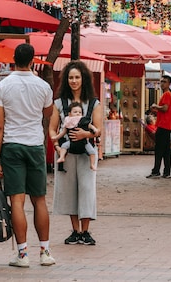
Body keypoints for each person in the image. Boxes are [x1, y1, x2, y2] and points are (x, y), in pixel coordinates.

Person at [0, 43, 56, 268]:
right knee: (39, 200)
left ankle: (23, 254)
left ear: (13, 59)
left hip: (12, 146)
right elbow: (48, 112)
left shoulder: (2, 86)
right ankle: (45, 252)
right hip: (35, 145)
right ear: (32, 61)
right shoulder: (43, 86)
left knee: (16, 201)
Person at [50, 60, 104, 247]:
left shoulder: (94, 103)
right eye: (71, 77)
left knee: (87, 190)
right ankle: (76, 231)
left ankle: (86, 230)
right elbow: (52, 128)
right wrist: (57, 145)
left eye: (77, 77)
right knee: (69, 191)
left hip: (86, 152)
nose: (74, 81)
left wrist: (86, 134)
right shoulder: (59, 103)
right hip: (66, 152)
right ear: (66, 80)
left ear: (84, 79)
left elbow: (98, 129)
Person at [53, 101, 99, 171]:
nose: (77, 113)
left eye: (79, 112)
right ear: (69, 114)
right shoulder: (68, 122)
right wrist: (56, 137)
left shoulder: (83, 120)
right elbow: (63, 132)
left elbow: (90, 126)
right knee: (64, 146)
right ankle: (62, 157)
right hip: (71, 141)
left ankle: (92, 164)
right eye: (75, 112)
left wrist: (94, 130)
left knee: (92, 152)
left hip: (84, 142)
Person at [147, 75, 171, 179]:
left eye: (165, 82)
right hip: (166, 125)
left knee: (159, 149)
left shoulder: (167, 94)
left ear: (169, 84)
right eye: (161, 81)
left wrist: (155, 106)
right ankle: (166, 172)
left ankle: (156, 170)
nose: (162, 83)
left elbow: (165, 108)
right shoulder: (167, 95)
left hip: (163, 125)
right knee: (166, 150)